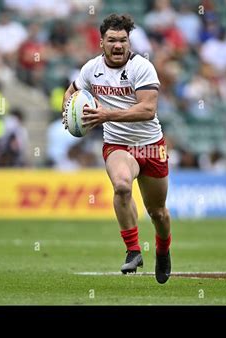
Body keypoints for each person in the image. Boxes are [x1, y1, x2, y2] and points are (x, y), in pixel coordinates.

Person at [61, 14, 172, 284]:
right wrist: (68, 113)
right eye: (112, 40)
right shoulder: (91, 69)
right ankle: (133, 250)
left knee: (157, 211)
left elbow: (147, 110)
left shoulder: (142, 67)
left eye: (123, 40)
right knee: (122, 186)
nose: (118, 45)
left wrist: (105, 115)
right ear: (101, 42)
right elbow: (71, 92)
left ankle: (163, 249)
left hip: (150, 146)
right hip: (118, 145)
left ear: (129, 42)